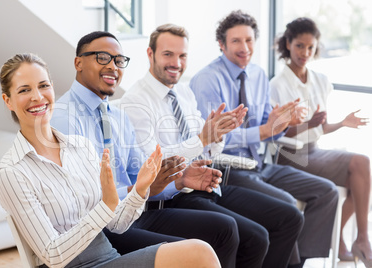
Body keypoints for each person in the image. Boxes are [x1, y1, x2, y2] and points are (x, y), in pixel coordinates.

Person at [0, 53, 220, 268]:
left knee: (201, 252)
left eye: (43, 85)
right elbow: (53, 256)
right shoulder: (13, 172)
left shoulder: (80, 147)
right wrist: (106, 207)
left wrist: (140, 189)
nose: (37, 96)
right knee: (199, 254)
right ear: (8, 101)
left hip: (109, 256)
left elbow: (117, 225)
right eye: (25, 90)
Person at [50, 31, 244, 268]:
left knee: (224, 229)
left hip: (136, 214)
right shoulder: (63, 118)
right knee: (193, 252)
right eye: (103, 57)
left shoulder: (118, 117)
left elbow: (142, 174)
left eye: (119, 61)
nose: (113, 66)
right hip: (99, 229)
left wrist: (179, 181)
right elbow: (82, 200)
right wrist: (140, 188)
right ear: (78, 62)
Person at [121, 23, 304, 268]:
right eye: (168, 54)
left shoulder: (184, 93)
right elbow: (153, 165)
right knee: (255, 237)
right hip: (175, 195)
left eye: (182, 55)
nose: (176, 62)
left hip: (207, 184)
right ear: (150, 54)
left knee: (289, 217)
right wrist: (201, 139)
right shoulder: (135, 102)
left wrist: (217, 135)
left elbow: (207, 151)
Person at [189, 10, 339, 268]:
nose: (244, 47)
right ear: (221, 44)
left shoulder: (258, 75)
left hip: (257, 163)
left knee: (327, 190)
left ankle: (298, 261)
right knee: (287, 204)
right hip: (226, 169)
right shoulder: (207, 80)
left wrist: (282, 124)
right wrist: (263, 131)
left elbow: (267, 128)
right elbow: (211, 138)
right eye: (236, 41)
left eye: (249, 40)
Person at [269, 17, 372, 265]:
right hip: (291, 155)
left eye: (310, 47)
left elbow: (321, 127)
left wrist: (341, 123)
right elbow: (277, 135)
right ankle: (350, 242)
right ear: (288, 45)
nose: (305, 53)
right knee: (359, 169)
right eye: (299, 46)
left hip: (314, 151)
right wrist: (309, 124)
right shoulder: (277, 84)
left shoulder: (320, 81)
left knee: (362, 171)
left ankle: (358, 238)